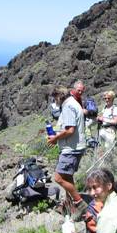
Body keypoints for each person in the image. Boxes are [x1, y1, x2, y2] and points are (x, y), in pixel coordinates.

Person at [47, 86, 88, 220]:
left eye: (55, 98)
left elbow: (70, 130)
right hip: (74, 147)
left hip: (71, 149)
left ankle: (81, 205)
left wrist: (55, 138)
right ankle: (70, 207)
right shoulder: (73, 103)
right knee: (67, 178)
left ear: (59, 96)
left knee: (58, 178)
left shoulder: (68, 106)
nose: (55, 101)